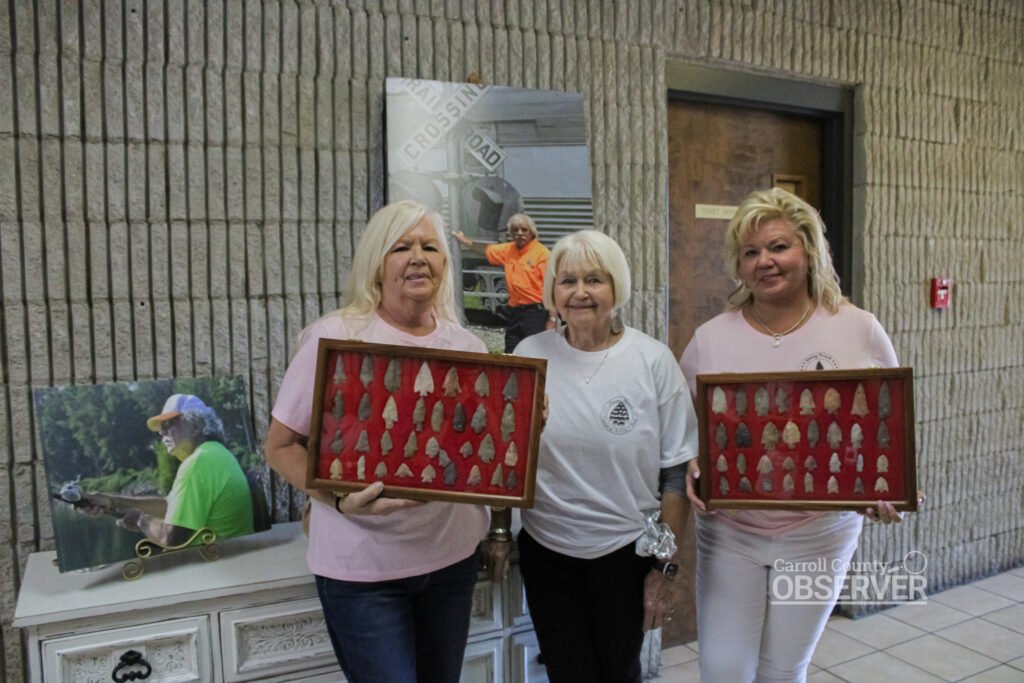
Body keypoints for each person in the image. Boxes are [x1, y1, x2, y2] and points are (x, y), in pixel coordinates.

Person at [680, 187, 922, 682]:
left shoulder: (858, 329)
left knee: (782, 670)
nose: (764, 262)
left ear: (809, 251)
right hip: (731, 534)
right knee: (724, 669)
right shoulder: (711, 337)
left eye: (778, 247)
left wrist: (888, 486)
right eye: (751, 253)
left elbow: (885, 429)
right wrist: (691, 464)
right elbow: (686, 430)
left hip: (819, 535)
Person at [265, 200, 504, 683]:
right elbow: (280, 446)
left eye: (429, 247)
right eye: (402, 247)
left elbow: (482, 450)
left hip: (450, 561)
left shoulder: (468, 347)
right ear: (377, 263)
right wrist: (336, 498)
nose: (418, 257)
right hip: (363, 573)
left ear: (444, 263)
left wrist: (520, 423)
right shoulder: (334, 337)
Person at [513, 229, 699, 683]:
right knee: (566, 671)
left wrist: (663, 568)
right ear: (551, 290)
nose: (579, 292)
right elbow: (510, 454)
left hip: (625, 554)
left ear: (616, 287)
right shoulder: (529, 355)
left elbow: (675, 475)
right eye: (566, 280)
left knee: (619, 671)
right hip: (547, 551)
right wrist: (500, 530)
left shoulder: (652, 361)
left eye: (594, 279)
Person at [116, 393, 255, 546]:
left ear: (195, 426)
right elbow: (170, 506)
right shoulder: (216, 453)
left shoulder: (197, 464)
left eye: (168, 424)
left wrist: (141, 521)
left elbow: (171, 539)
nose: (162, 433)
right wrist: (113, 502)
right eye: (161, 428)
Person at [454, 212, 552, 352]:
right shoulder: (508, 249)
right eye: (515, 230)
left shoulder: (542, 254)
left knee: (535, 353)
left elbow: (551, 288)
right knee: (511, 348)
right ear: (510, 233)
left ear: (532, 232)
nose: (519, 233)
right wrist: (464, 240)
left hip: (535, 313)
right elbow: (486, 250)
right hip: (515, 311)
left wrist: (552, 320)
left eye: (524, 230)